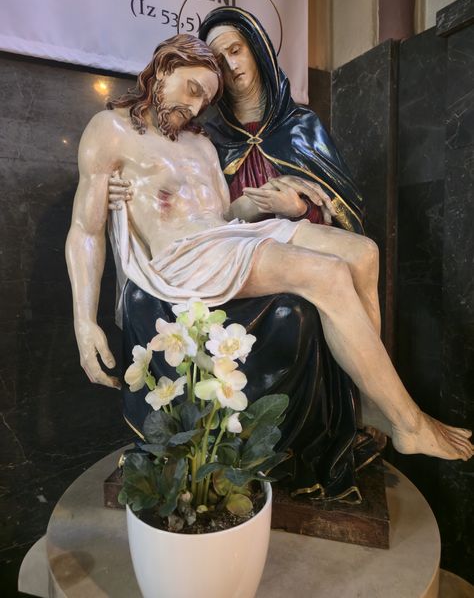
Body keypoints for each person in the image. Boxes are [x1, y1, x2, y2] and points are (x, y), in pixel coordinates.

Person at [66, 34, 473, 474]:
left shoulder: (200, 144)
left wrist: (270, 199)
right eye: (193, 89)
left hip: (226, 238)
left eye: (206, 100)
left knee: (363, 253)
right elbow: (85, 230)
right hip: (184, 259)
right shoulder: (110, 131)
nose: (197, 108)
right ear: (164, 67)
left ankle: (369, 400)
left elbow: (224, 215)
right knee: (328, 274)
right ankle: (409, 423)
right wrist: (84, 322)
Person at [108, 9, 383, 500]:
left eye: (236, 51)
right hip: (227, 254)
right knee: (302, 304)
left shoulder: (300, 126)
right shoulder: (205, 135)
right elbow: (206, 213)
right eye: (219, 60)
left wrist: (297, 208)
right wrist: (119, 195)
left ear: (257, 50)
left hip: (262, 244)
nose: (231, 66)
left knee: (359, 257)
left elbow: (340, 209)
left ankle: (364, 400)